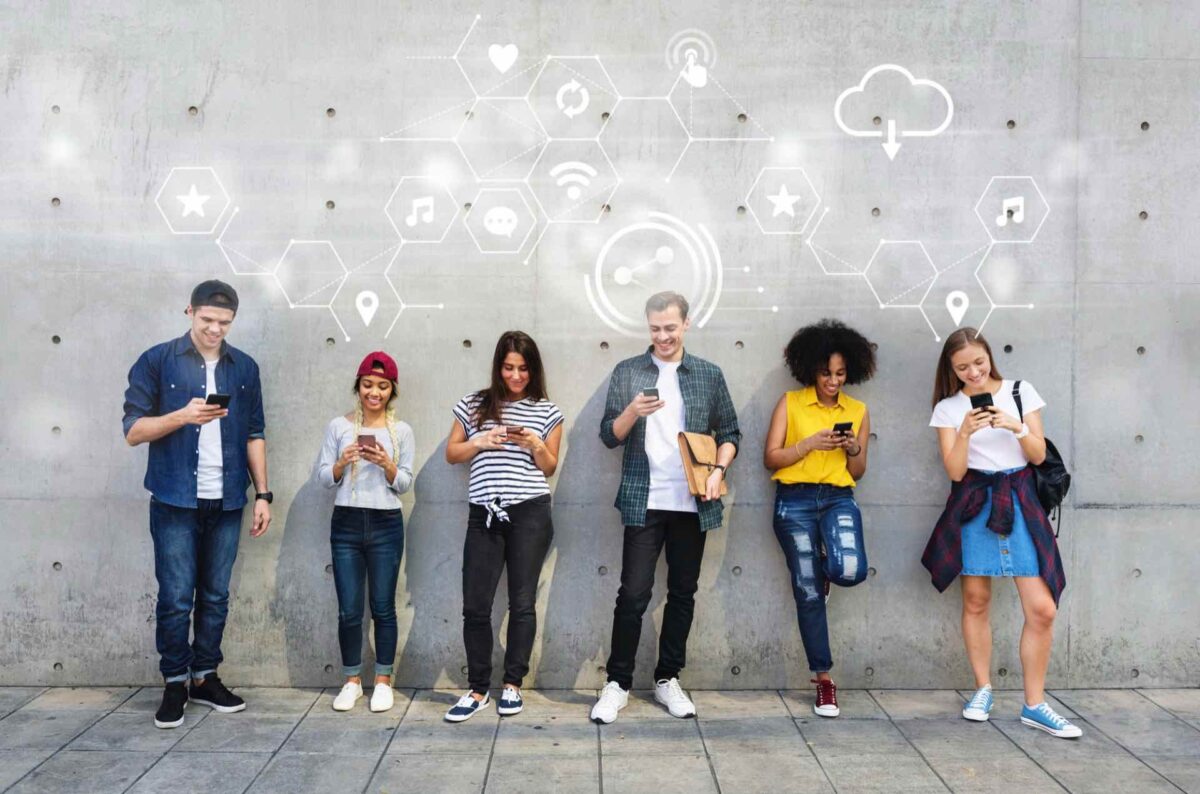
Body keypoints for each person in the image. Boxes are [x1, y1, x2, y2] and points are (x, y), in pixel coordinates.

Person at [122, 280, 272, 729]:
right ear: (188, 312)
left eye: (223, 323)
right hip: (174, 500)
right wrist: (182, 416)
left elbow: (255, 432)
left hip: (226, 500)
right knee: (174, 597)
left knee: (215, 595)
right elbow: (132, 431)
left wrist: (262, 493)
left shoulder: (244, 367)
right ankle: (173, 681)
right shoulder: (157, 361)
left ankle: (204, 677)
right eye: (207, 320)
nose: (214, 330)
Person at [590, 291, 741, 724]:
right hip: (645, 498)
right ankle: (617, 683)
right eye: (655, 328)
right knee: (633, 594)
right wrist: (631, 412)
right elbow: (608, 436)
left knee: (682, 593)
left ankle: (667, 679)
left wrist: (717, 470)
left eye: (670, 328)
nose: (663, 336)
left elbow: (731, 432)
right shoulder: (629, 371)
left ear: (686, 325)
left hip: (693, 501)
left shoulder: (708, 375)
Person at [923, 328, 1081, 738]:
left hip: (1021, 498)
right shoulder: (948, 407)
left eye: (979, 362)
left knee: (1042, 608)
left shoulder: (1019, 391)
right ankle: (982, 689)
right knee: (976, 600)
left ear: (989, 356)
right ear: (951, 370)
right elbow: (955, 472)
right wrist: (964, 432)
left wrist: (1015, 426)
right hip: (975, 500)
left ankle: (1035, 704)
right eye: (962, 368)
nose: (973, 373)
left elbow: (1039, 455)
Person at [443, 331, 564, 722]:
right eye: (509, 367)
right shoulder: (474, 404)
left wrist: (535, 444)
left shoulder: (547, 411)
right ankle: (477, 689)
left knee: (522, 603)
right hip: (485, 513)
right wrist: (481, 440)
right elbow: (451, 454)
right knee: (475, 605)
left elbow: (549, 467)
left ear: (534, 370)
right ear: (498, 366)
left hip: (530, 511)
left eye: (523, 369)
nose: (515, 376)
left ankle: (512, 685)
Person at [763, 320, 874, 718]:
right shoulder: (790, 403)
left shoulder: (858, 410)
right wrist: (809, 444)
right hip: (793, 502)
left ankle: (828, 571)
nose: (833, 380)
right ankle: (824, 680)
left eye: (841, 373)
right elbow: (770, 458)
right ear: (812, 368)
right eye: (826, 372)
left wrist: (853, 446)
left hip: (838, 498)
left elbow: (858, 471)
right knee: (807, 592)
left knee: (850, 570)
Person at [316, 352, 415, 713]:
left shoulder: (401, 431)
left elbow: (405, 483)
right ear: (358, 387)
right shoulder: (338, 427)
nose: (375, 392)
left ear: (392, 391)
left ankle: (384, 681)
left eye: (383, 386)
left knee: (384, 606)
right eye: (368, 385)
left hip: (386, 523)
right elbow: (324, 478)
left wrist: (388, 465)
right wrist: (342, 462)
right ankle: (352, 680)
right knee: (349, 609)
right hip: (346, 522)